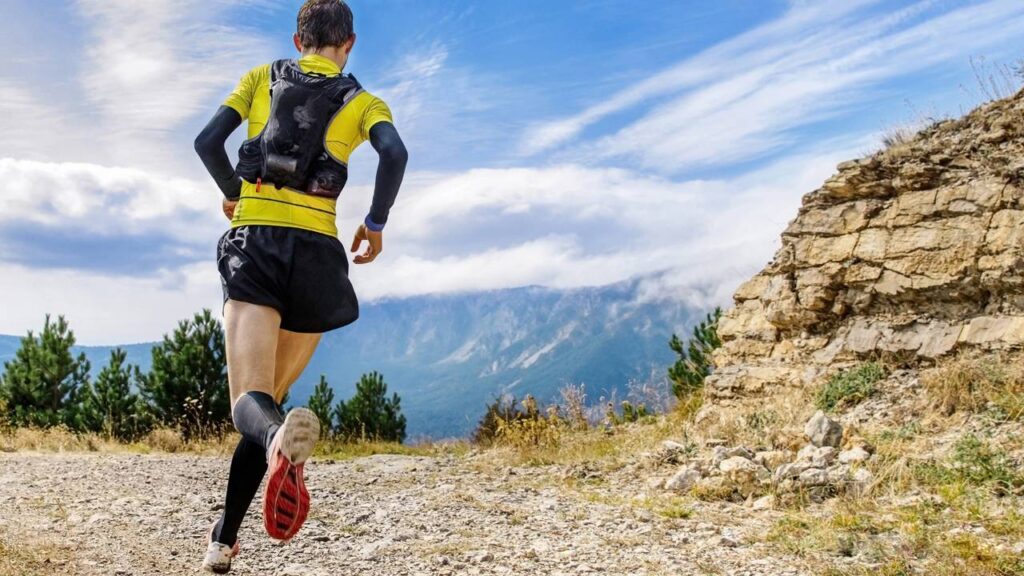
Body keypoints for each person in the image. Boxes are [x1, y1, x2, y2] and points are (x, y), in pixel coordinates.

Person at [193, 0, 408, 572]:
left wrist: (233, 193)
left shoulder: (259, 78)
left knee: (249, 404)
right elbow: (394, 153)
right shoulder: (365, 101)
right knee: (269, 409)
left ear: (297, 38)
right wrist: (377, 222)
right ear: (350, 44)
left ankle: (266, 457)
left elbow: (207, 142)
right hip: (317, 256)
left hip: (256, 243)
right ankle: (222, 541)